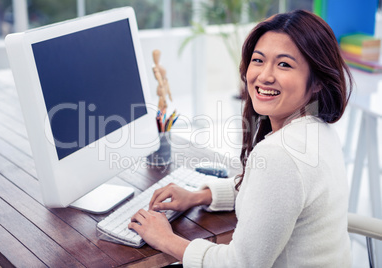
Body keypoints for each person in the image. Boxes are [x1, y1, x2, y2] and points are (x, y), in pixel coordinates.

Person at [129, 9, 353, 267]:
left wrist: (165, 239)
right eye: (258, 60)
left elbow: (239, 264)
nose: (264, 76)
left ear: (317, 82)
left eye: (284, 64)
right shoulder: (318, 129)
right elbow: (273, 197)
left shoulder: (280, 155)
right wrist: (199, 195)